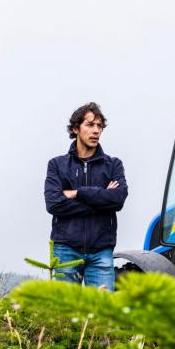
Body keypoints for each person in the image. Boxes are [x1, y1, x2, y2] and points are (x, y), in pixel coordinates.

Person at [44, 102, 128, 291]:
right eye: (90, 125)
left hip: (101, 250)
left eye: (99, 126)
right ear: (75, 129)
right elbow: (54, 204)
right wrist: (101, 199)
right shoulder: (57, 165)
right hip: (66, 248)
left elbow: (118, 199)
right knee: (64, 315)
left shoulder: (113, 165)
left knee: (102, 314)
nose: (96, 130)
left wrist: (78, 193)